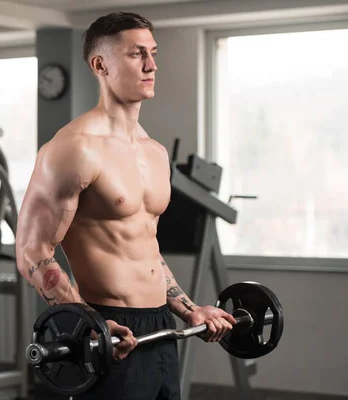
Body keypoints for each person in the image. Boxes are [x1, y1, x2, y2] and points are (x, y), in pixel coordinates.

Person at [15, 11, 236, 400]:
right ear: (100, 65)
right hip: (109, 328)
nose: (152, 65)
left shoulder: (154, 153)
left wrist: (188, 310)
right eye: (137, 55)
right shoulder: (74, 147)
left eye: (153, 53)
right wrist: (89, 323)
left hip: (161, 327)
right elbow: (32, 249)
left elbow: (145, 246)